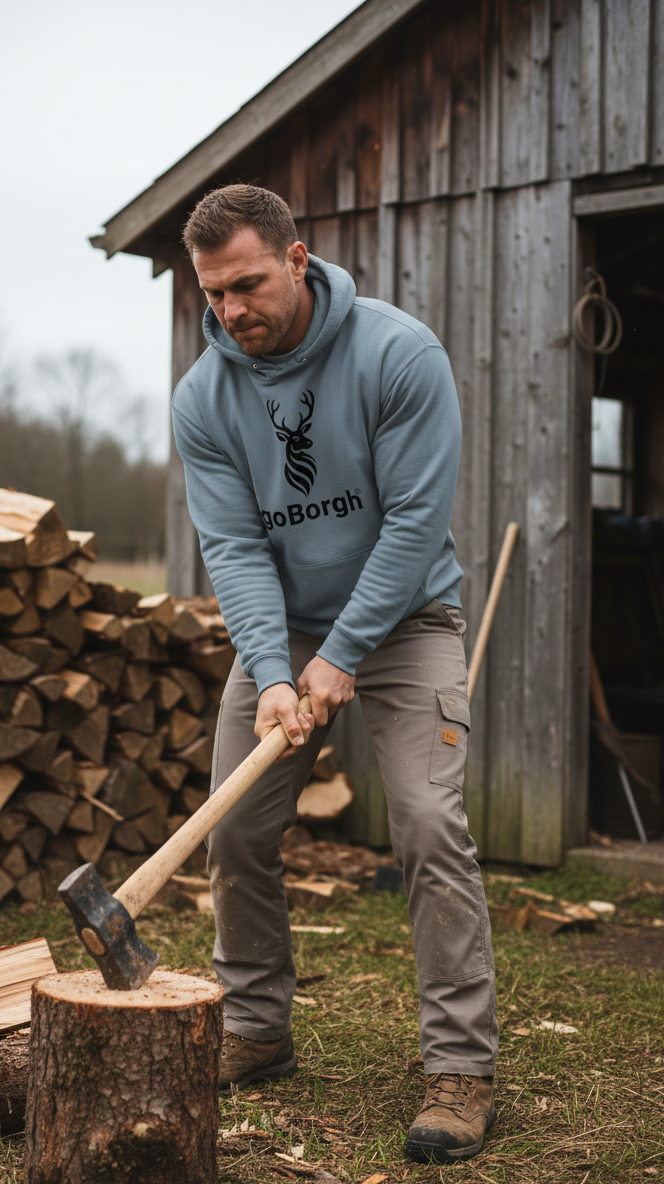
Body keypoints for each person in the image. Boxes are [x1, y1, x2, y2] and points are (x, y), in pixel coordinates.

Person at [171, 184, 498, 1164]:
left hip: (404, 625)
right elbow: (232, 548)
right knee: (238, 832)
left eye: (248, 283)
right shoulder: (204, 398)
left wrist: (341, 654)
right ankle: (258, 1030)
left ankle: (459, 1070)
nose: (231, 310)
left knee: (431, 826)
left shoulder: (398, 354)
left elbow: (410, 524)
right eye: (213, 292)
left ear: (297, 260)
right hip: (286, 633)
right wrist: (275, 672)